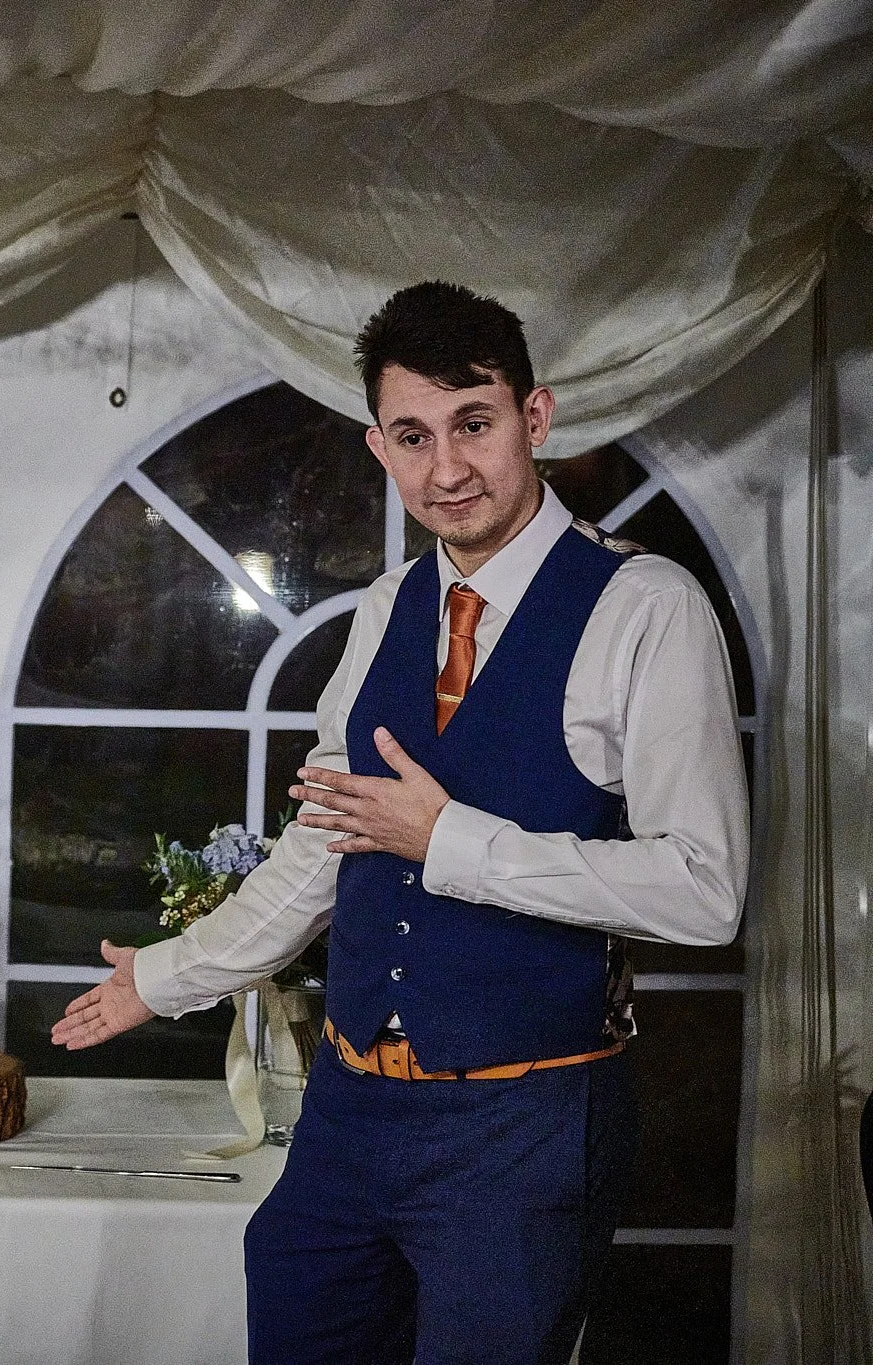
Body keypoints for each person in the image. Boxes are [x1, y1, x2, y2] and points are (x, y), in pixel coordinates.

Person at [52, 281, 749, 1364]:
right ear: (378, 448)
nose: (445, 470)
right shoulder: (384, 610)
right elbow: (322, 847)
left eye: (473, 425)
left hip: (521, 1128)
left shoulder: (645, 607)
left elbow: (702, 890)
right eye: (412, 437)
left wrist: (450, 842)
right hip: (347, 1118)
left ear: (535, 417)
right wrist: (165, 976)